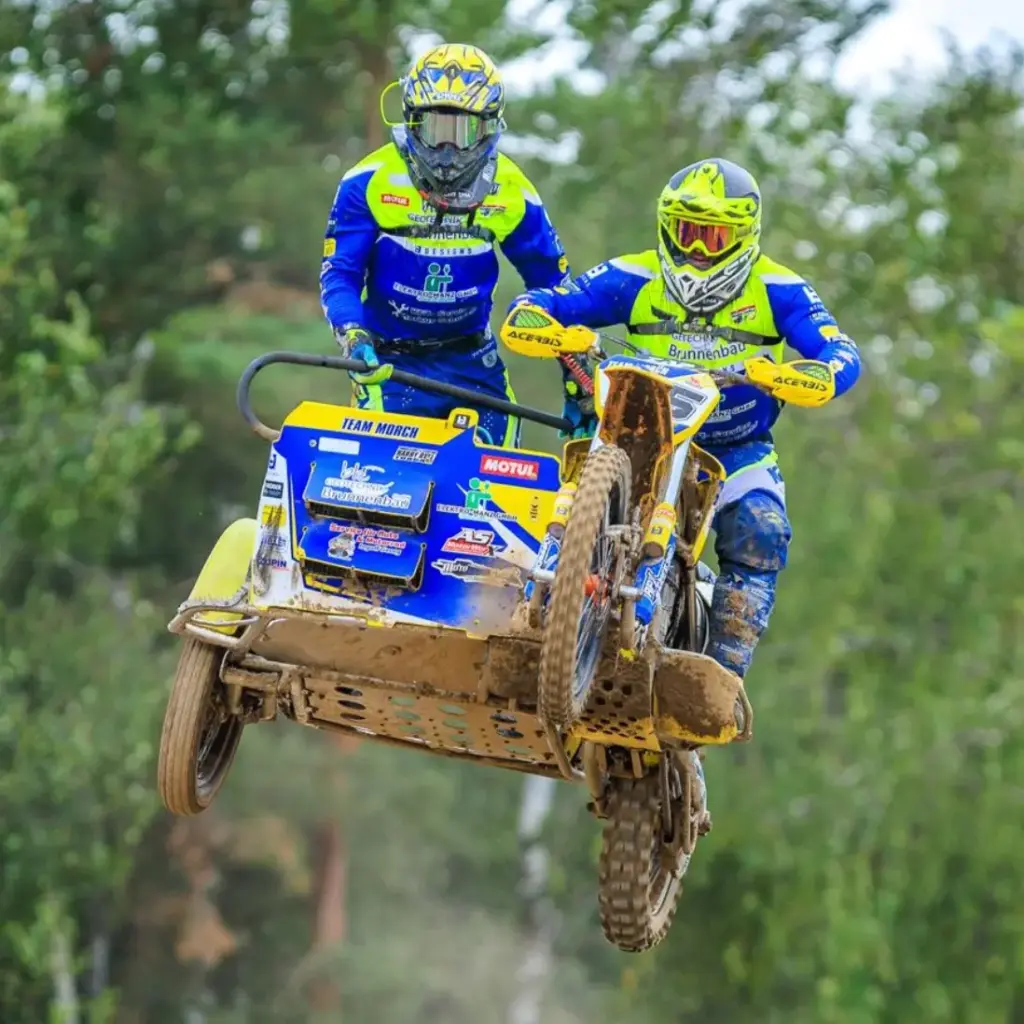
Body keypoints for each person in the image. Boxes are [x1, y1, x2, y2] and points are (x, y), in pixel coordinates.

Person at [508, 157, 862, 682]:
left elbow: (839, 349)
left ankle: (718, 679)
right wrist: (546, 323)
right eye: (687, 233)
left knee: (761, 530)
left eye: (712, 237)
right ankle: (531, 602)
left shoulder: (779, 289)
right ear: (665, 227)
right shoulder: (633, 275)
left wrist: (812, 374)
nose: (697, 251)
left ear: (743, 237)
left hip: (732, 445)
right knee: (564, 480)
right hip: (638, 434)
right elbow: (553, 301)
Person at [320, 43, 572, 448]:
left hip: (473, 363)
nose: (447, 149)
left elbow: (557, 286)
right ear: (411, 121)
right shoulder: (366, 180)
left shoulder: (514, 190)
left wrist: (573, 368)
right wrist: (353, 335)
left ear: (490, 126)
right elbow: (340, 273)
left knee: (497, 491)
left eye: (463, 130)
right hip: (387, 363)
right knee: (380, 491)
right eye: (435, 129)